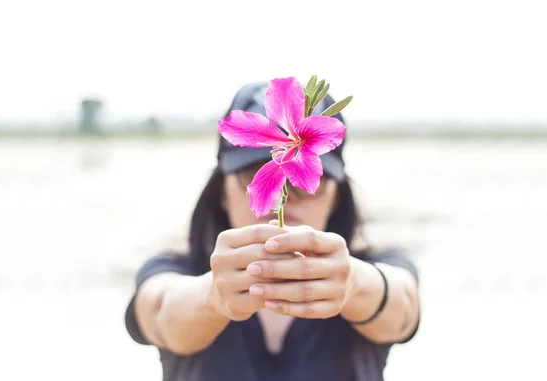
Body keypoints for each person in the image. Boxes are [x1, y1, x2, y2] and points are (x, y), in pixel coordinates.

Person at [124, 80, 421, 381]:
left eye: (305, 186)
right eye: (252, 171)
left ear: (336, 199)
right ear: (221, 194)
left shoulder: (374, 265)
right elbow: (160, 313)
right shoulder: (177, 269)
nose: (286, 192)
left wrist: (354, 284)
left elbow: (404, 308)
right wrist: (213, 296)